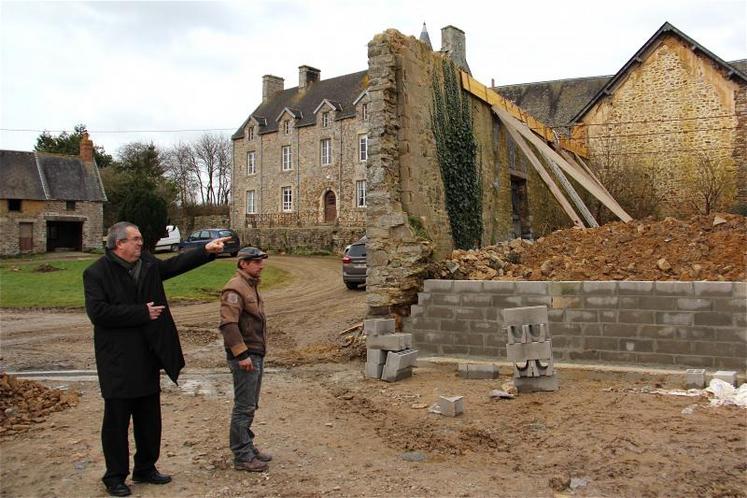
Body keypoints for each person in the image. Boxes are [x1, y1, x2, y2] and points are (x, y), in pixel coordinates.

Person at [83, 221, 231, 497]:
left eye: (140, 238)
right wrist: (140, 313)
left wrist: (206, 251)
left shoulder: (147, 264)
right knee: (116, 422)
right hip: (117, 361)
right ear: (119, 244)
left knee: (149, 417)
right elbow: (98, 313)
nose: (141, 243)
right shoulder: (96, 273)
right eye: (136, 239)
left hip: (148, 355)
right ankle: (115, 476)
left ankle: (145, 468)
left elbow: (172, 267)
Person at [219, 246, 273, 472]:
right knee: (244, 406)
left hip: (254, 353)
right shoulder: (235, 288)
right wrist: (241, 354)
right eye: (256, 262)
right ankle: (242, 455)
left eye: (261, 261)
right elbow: (228, 324)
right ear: (243, 264)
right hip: (246, 355)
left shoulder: (249, 285)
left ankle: (247, 446)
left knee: (250, 405)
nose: (261, 265)